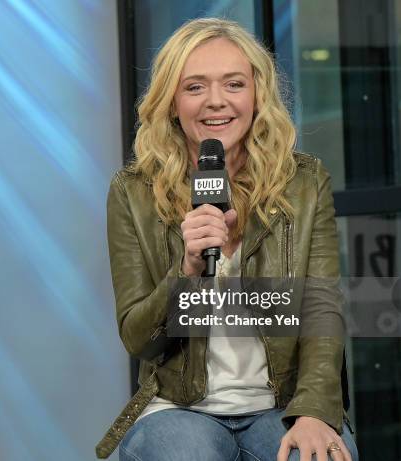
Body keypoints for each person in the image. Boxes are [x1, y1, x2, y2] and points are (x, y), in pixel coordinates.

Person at [95, 17, 360, 461]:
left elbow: (320, 308)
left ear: (256, 94)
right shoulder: (133, 191)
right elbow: (139, 338)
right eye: (195, 87)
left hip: (281, 405)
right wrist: (188, 272)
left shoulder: (303, 181)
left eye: (233, 84)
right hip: (178, 408)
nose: (215, 102)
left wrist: (315, 410)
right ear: (171, 100)